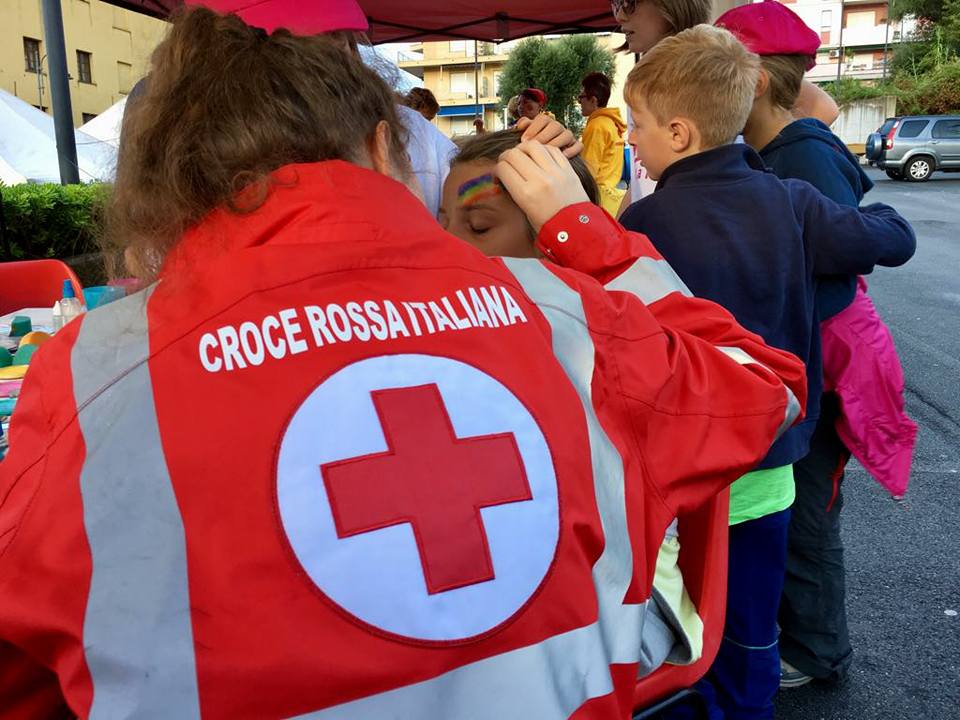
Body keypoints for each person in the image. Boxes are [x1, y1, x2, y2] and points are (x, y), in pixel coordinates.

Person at [0, 6, 811, 719]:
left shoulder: (92, 371)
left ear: (171, 173)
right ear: (386, 145)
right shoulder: (564, 315)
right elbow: (760, 384)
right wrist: (586, 233)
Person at [617, 25, 916, 719]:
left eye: (638, 125)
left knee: (680, 617)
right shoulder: (790, 201)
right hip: (772, 462)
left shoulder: (644, 223)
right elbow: (892, 239)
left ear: (681, 133)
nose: (631, 138)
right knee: (753, 623)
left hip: (686, 471)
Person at [442, 129, 705, 674]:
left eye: (479, 226)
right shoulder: (460, 340)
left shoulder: (609, 352)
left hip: (619, 609)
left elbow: (751, 380)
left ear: (553, 242)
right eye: (438, 224)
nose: (448, 247)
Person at [717, 0, 918, 689]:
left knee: (808, 510)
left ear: (751, 85)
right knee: (796, 503)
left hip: (823, 369)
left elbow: (843, 256)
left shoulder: (800, 154)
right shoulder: (780, 146)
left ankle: (819, 649)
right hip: (805, 363)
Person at [611, 0, 840, 213]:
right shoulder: (643, 80)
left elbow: (822, 106)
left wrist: (782, 157)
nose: (619, 15)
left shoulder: (714, 56)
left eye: (629, 2)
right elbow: (640, 179)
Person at [578, 72, 627, 215]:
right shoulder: (612, 123)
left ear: (593, 100)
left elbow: (588, 171)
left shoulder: (596, 126)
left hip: (599, 200)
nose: (579, 102)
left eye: (581, 97)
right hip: (613, 199)